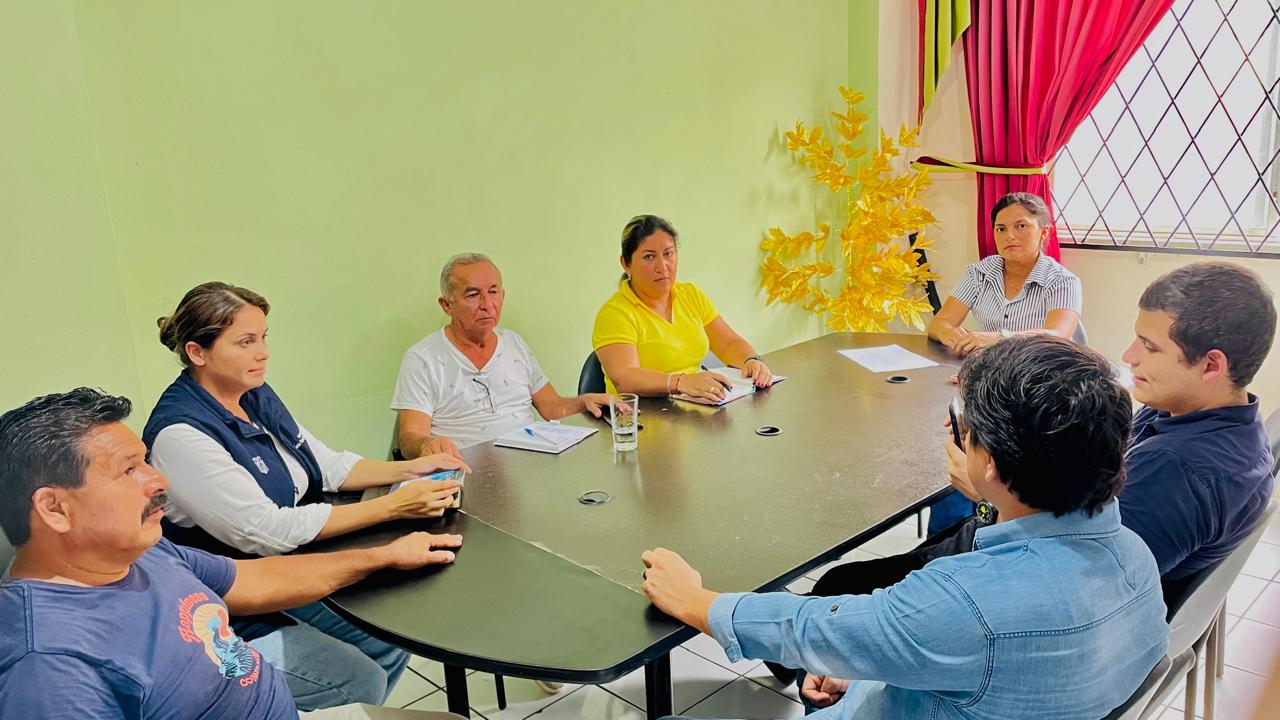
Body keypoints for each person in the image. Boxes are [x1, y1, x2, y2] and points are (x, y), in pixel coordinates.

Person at [777, 261, 1275, 684]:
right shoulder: (1202, 420)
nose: (1129, 356)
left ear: (1212, 365)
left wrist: (989, 494)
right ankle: (789, 654)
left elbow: (1071, 580)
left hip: (1023, 612)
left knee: (838, 587)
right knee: (852, 578)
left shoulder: (1182, 471)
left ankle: (817, 677)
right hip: (1012, 553)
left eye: (1150, 346)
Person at [643, 335, 1169, 719]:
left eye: (963, 427)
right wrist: (869, 676)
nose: (954, 433)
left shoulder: (961, 603)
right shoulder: (1135, 557)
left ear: (990, 464)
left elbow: (812, 627)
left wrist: (697, 601)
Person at [0, 388, 466, 720]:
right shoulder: (51, 667)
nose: (158, 480)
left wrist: (383, 556)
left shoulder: (139, 551)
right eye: (128, 471)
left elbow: (250, 580)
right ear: (54, 508)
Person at [143, 281, 467, 710]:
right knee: (358, 679)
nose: (263, 353)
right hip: (225, 602)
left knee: (394, 634)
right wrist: (391, 506)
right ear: (197, 353)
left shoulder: (252, 393)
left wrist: (411, 468)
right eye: (246, 342)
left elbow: (324, 464)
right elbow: (267, 531)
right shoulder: (180, 435)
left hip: (284, 564)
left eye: (263, 337)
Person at [924, 192, 1085, 532]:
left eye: (1021, 226)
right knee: (955, 437)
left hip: (1039, 388)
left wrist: (998, 339)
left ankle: (986, 525)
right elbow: (939, 324)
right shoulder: (979, 273)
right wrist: (960, 340)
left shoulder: (1062, 280)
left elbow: (1057, 335)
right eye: (1000, 228)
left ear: (1044, 233)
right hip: (991, 380)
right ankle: (950, 535)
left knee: (983, 443)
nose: (1009, 236)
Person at [393, 253, 612, 460]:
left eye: (493, 292)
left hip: (528, 464)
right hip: (463, 468)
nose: (487, 305)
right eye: (472, 295)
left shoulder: (514, 343)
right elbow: (410, 437)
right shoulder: (422, 359)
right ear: (446, 305)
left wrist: (584, 401)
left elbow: (552, 407)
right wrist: (426, 444)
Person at [592, 214, 774, 403]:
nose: (662, 266)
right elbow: (625, 379)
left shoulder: (690, 294)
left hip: (694, 406)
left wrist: (751, 360)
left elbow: (729, 343)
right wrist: (680, 382)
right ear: (626, 264)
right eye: (649, 257)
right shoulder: (614, 313)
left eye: (668, 253)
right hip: (640, 414)